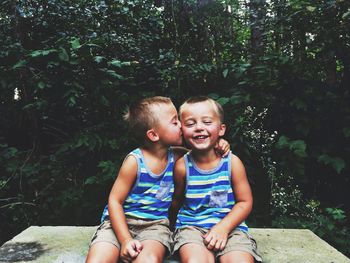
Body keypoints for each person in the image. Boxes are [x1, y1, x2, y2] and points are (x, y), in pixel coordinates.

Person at [86, 96, 229, 263]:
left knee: (149, 260)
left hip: (155, 226)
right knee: (98, 259)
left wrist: (220, 143)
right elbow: (114, 201)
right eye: (175, 122)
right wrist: (125, 239)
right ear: (154, 135)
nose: (182, 126)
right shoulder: (135, 162)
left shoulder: (178, 156)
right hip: (117, 224)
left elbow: (203, 148)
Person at [169, 96, 262, 263]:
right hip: (191, 228)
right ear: (182, 130)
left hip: (232, 228)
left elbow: (245, 202)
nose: (199, 128)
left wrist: (223, 228)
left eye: (207, 122)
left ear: (221, 129)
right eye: (190, 124)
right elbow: (176, 201)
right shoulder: (182, 166)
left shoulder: (232, 163)